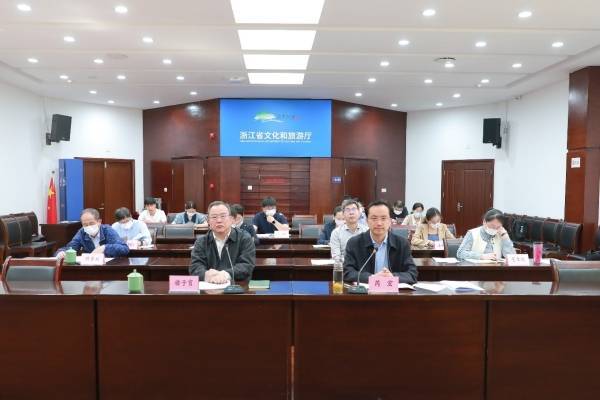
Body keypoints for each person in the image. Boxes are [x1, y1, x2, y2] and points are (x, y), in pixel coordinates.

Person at [343, 200, 418, 284]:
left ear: (390, 221)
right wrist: (371, 278)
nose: (379, 223)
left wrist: (392, 277)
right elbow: (348, 273)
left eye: (383, 218)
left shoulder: (402, 243)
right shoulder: (354, 243)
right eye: (374, 218)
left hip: (393, 290)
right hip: (365, 291)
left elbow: (412, 274)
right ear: (367, 221)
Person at [189, 201, 256, 283]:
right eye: (214, 217)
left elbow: (247, 265)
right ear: (208, 221)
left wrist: (226, 274)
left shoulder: (244, 238)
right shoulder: (201, 242)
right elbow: (195, 267)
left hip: (237, 287)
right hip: (209, 287)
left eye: (223, 216)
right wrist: (206, 275)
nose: (219, 220)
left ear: (231, 219)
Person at [55, 208, 129, 258]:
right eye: (85, 225)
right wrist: (61, 252)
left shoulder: (107, 230)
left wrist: (104, 248)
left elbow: (124, 249)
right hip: (91, 267)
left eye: (91, 223)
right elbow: (70, 248)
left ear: (99, 222)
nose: (88, 226)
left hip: (110, 266)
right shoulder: (82, 232)